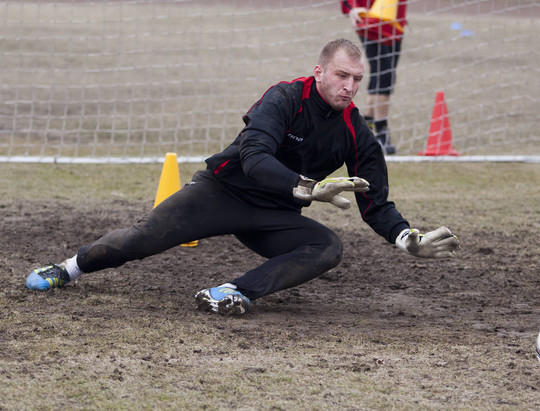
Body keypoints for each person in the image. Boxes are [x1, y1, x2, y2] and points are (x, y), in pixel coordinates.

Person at [25, 38, 459, 316]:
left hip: (272, 214)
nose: (349, 86)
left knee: (327, 246)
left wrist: (406, 238)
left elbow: (374, 202)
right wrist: (308, 189)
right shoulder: (285, 97)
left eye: (357, 79)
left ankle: (231, 292)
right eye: (342, 76)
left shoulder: (356, 132)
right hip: (221, 191)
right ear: (320, 72)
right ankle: (69, 268)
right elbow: (254, 157)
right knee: (138, 241)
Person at [341, 0, 407, 154]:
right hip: (370, 18)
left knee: (382, 73)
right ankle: (382, 132)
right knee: (385, 74)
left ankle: (366, 127)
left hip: (395, 23)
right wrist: (353, 7)